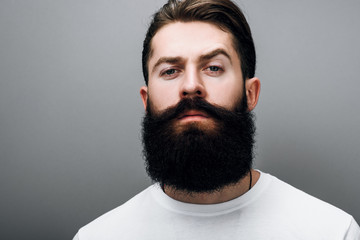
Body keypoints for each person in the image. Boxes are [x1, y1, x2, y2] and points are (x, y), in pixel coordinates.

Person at [73, 0, 360, 239]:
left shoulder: (333, 232)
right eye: (171, 71)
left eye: (213, 67)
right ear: (147, 101)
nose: (191, 86)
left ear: (250, 93)